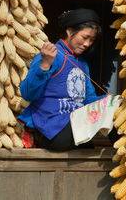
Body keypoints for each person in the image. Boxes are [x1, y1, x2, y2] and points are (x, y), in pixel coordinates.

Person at [19, 8, 106, 151]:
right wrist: (45, 65)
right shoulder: (51, 55)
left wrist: (108, 102)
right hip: (51, 129)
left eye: (91, 40)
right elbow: (27, 93)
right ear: (69, 31)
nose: (87, 44)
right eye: (85, 37)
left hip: (73, 128)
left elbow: (88, 100)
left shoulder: (82, 64)